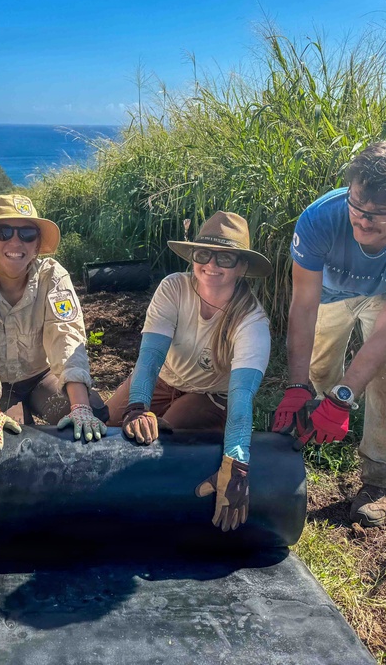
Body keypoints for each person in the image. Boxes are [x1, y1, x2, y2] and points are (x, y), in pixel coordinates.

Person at [272, 141, 386, 527]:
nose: (363, 220)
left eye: (380, 212)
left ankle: (380, 479)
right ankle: (310, 428)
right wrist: (297, 385)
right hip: (331, 295)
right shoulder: (320, 218)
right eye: (356, 205)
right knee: (320, 372)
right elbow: (303, 305)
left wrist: (344, 397)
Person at [105, 212, 272, 531]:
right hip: (163, 379)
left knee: (162, 441)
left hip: (209, 396)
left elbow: (242, 395)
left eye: (225, 257)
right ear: (193, 256)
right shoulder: (174, 288)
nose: (211, 264)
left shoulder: (252, 322)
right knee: (107, 425)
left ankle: (144, 514)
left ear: (241, 267)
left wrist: (237, 463)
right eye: (203, 254)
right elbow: (151, 356)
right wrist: (137, 406)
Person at [0, 193, 108, 455]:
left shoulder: (53, 276)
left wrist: (80, 407)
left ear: (36, 245)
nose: (15, 241)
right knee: (5, 446)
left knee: (93, 415)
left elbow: (66, 335)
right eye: (3, 231)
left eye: (27, 234)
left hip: (40, 376)